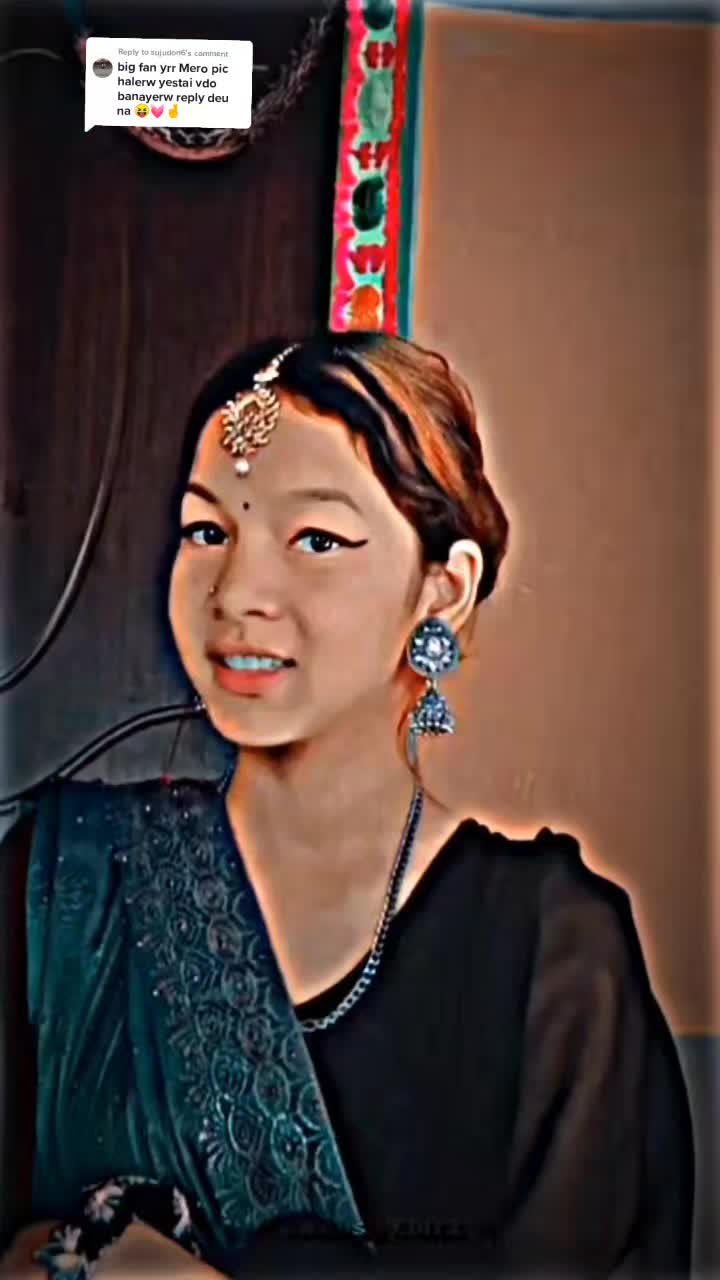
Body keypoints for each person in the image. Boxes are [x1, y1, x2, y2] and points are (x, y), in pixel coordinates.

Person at [0, 332, 694, 1278]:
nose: (237, 592)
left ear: (443, 591)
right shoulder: (63, 879)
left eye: (317, 540)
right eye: (208, 531)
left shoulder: (555, 952)